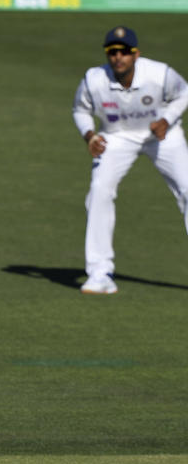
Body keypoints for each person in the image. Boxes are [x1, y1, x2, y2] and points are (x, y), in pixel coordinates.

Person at [72, 26, 188, 294]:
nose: (118, 57)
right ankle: (100, 273)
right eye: (113, 52)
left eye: (124, 52)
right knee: (99, 191)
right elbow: (80, 109)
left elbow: (184, 93)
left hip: (162, 135)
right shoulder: (94, 79)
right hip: (117, 137)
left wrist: (167, 119)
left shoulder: (159, 74)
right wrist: (89, 135)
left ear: (136, 54)